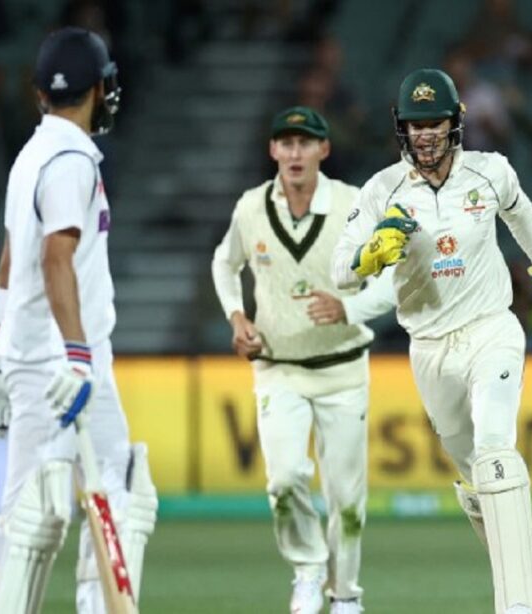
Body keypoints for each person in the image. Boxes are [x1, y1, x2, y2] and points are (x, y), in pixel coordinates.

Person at [332, 69, 532, 614]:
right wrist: (372, 253)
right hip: (429, 348)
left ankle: (519, 605)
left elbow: (521, 213)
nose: (425, 134)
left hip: (491, 328)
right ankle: (525, 559)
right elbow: (340, 272)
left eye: (435, 123)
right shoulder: (381, 190)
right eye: (415, 125)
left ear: (455, 124)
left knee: (496, 449)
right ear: (402, 129)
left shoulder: (490, 171)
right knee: (477, 478)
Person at [0, 27, 157, 614]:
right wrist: (77, 355)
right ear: (100, 88)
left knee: (35, 502)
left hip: (32, 356)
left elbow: (9, 263)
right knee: (117, 493)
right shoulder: (72, 161)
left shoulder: (31, 155)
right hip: (68, 359)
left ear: (39, 92)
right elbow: (56, 258)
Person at [211, 106, 395, 614]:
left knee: (347, 501)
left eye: (305, 143)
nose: (295, 153)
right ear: (273, 150)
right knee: (285, 479)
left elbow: (392, 281)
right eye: (286, 143)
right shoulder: (251, 207)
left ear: (324, 150)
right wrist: (236, 317)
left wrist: (348, 308)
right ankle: (309, 569)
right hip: (278, 368)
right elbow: (224, 263)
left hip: (342, 369)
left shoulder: (354, 205)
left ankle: (346, 595)